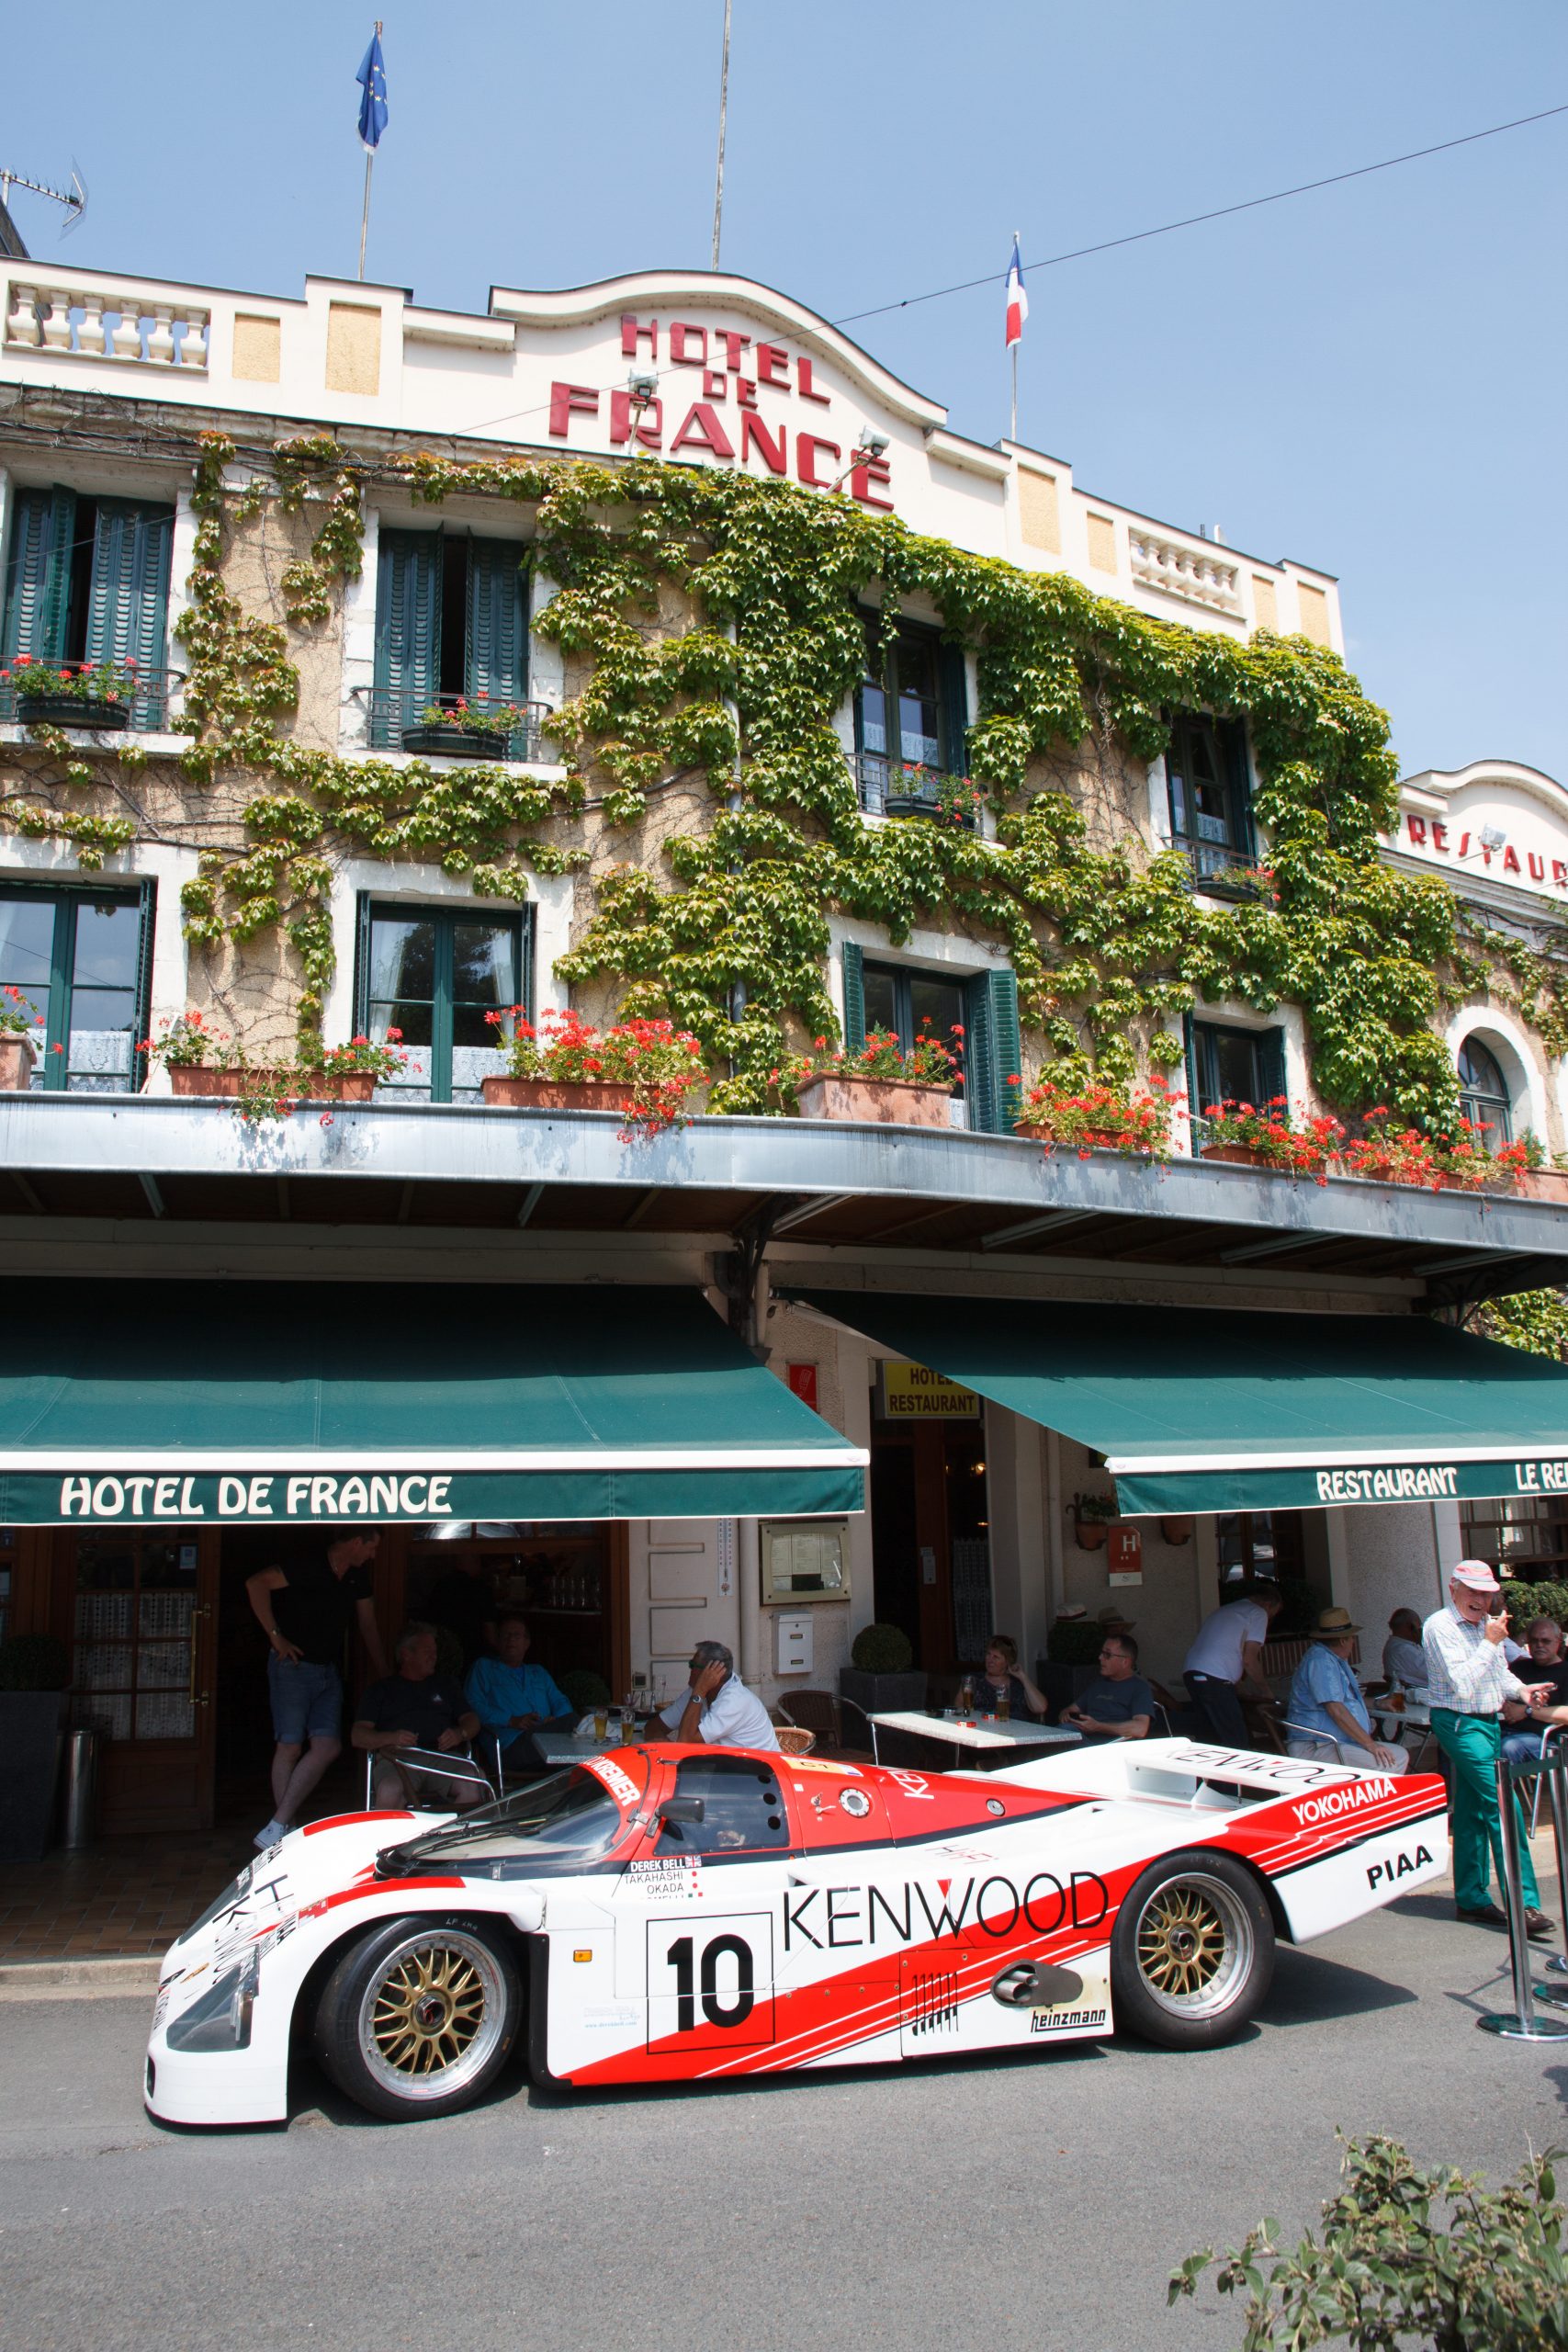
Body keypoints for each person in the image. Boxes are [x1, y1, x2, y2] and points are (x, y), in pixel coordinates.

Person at [1424, 1560, 1558, 1938]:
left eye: (1486, 1593)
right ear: (1453, 1588)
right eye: (1473, 1591)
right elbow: (1463, 1683)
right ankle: (1524, 1903)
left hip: (1486, 1722)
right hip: (1459, 1722)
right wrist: (1491, 1641)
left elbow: (1498, 1675)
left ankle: (1471, 1899)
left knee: (1471, 1811)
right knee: (1504, 1805)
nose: (1481, 1600)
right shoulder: (1439, 1626)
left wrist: (1524, 1691)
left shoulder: (1487, 1626)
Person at [245, 1528, 387, 1849]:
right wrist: (276, 1637)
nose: (373, 1555)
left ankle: (278, 1826)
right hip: (292, 1667)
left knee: (328, 1746)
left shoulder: (357, 1576)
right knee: (290, 1747)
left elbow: (368, 1625)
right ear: (356, 1542)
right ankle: (284, 1831)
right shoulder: (308, 1564)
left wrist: (385, 1673)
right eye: (372, 1547)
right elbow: (256, 1584)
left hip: (328, 1671)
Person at [353, 1622, 491, 1810]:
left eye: (435, 1651)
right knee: (390, 1790)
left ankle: (451, 1830)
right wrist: (391, 1738)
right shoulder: (381, 1689)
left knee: (474, 1781)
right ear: (406, 1654)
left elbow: (472, 1720)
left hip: (442, 1757)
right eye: (427, 1652)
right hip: (398, 1758)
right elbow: (358, 1735)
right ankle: (391, 1831)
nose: (434, 1657)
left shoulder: (446, 1685)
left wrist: (459, 1733)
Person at [1285, 1607, 1410, 1772]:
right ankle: (1366, 1790)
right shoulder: (1321, 1661)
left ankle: (1365, 1789)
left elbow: (1345, 1701)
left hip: (1332, 1743)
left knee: (1396, 1755)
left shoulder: (1331, 1659)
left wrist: (1379, 1704)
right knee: (1393, 1760)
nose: (1353, 1642)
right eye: (1352, 1638)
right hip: (1317, 1746)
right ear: (1343, 1640)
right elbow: (1335, 1709)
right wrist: (1370, 1744)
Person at [465, 1612, 575, 1772]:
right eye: (506, 1635)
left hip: (547, 1740)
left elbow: (560, 1701)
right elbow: (472, 1707)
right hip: (510, 1745)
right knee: (574, 1724)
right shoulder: (484, 1668)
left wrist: (555, 1721)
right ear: (497, 1641)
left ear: (526, 1643)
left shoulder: (538, 1672)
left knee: (574, 1724)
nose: (511, 1639)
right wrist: (510, 1720)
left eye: (516, 1635)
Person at [1182, 1585, 1285, 1747]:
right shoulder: (1258, 1613)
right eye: (1273, 1613)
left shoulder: (1225, 1610)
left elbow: (1224, 1650)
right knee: (1235, 1737)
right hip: (1215, 1679)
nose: (1270, 1618)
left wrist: (1238, 1685)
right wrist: (1265, 1691)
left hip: (1191, 1672)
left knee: (1209, 1733)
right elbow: (1249, 1660)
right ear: (1267, 1604)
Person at [645, 1640, 779, 1750]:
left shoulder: (734, 1701)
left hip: (761, 1770)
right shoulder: (695, 1692)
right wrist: (666, 1746)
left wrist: (700, 1691)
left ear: (712, 1673)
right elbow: (652, 1727)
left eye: (692, 1665)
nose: (689, 1669)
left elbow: (685, 1741)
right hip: (729, 1768)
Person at [1501, 1616, 1568, 1770]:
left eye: (1545, 1641)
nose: (1539, 1645)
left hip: (1548, 1741)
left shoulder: (1565, 1672)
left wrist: (1527, 1711)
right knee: (1467, 1743)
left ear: (1558, 1641)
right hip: (1504, 1729)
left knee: (1508, 1747)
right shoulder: (1517, 1668)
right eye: (1534, 1641)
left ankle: (1501, 1787)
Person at [1061, 1631, 1156, 1740]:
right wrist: (1066, 1715)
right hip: (1087, 1742)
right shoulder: (1098, 1684)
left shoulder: (1139, 1688)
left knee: (1064, 1734)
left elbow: (1140, 1728)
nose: (1100, 1657)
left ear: (1125, 1662)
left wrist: (1099, 1727)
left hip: (1113, 1747)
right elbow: (1070, 1709)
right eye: (1101, 1653)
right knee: (1063, 1732)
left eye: (1107, 1655)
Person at [968, 1634, 1049, 1720]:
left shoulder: (1019, 1684)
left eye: (995, 1657)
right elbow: (961, 1711)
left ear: (1007, 1661)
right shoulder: (974, 1680)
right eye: (988, 1654)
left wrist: (1023, 1677)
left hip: (1017, 1728)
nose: (990, 1660)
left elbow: (1041, 1708)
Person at [1382, 1608, 1429, 1690]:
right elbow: (1433, 1672)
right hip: (1420, 1693)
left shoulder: (1398, 1645)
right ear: (1411, 1626)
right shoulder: (1403, 1649)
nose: (1420, 1630)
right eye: (1419, 1626)